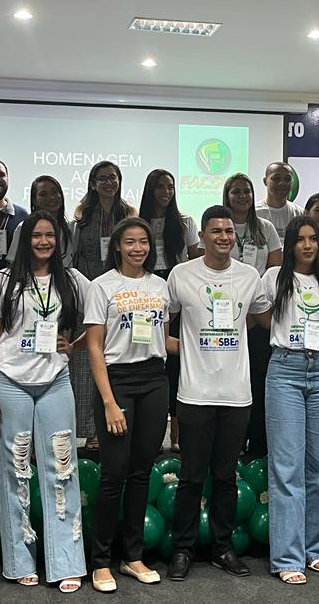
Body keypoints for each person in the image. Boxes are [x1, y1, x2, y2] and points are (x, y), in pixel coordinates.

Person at [0, 210, 88, 592]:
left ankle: (66, 562)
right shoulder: (3, 280)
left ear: (59, 241)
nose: (43, 242)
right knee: (15, 472)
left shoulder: (72, 280)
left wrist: (72, 347)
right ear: (24, 240)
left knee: (63, 469)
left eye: (50, 236)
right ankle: (20, 561)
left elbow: (99, 323)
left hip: (55, 380)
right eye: (36, 236)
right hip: (10, 382)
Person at [165, 206, 271, 582]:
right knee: (191, 476)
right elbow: (162, 326)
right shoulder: (181, 275)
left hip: (236, 394)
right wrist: (187, 348)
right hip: (194, 393)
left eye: (229, 232)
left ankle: (222, 548)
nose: (224, 237)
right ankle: (183, 549)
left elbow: (264, 319)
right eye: (216, 231)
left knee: (226, 476)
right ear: (202, 237)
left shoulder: (249, 276)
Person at [84, 218, 171, 592]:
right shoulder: (101, 286)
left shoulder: (160, 286)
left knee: (141, 472)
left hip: (154, 380)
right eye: (130, 242)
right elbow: (93, 346)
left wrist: (209, 342)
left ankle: (132, 557)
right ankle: (100, 561)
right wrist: (108, 401)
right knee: (113, 473)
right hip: (117, 381)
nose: (138, 248)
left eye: (143, 242)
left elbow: (165, 339)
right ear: (117, 246)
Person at [262, 218, 319, 584]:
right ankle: (288, 557)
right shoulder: (273, 278)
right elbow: (260, 316)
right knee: (287, 467)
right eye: (301, 239)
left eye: (313, 240)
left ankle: (317, 548)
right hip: (285, 370)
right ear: (290, 243)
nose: (308, 246)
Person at [71, 160, 137, 450]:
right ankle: (90, 429)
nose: (109, 183)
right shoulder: (82, 214)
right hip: (90, 295)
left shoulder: (129, 213)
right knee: (87, 366)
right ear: (93, 183)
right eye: (103, 178)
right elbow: (74, 256)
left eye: (113, 178)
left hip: (122, 295)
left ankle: (114, 422)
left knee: (117, 360)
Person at [138, 168, 200, 453]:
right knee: (147, 352)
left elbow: (195, 258)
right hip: (146, 289)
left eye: (170, 187)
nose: (166, 192)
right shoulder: (138, 222)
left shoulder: (185, 222)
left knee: (176, 363)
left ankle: (177, 436)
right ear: (150, 190)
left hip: (176, 290)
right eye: (160, 187)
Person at [221, 172, 280, 459]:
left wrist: (256, 311)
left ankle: (257, 446)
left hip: (260, 315)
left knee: (258, 380)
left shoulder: (265, 227)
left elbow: (274, 271)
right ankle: (231, 445)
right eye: (236, 191)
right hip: (225, 315)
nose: (242, 196)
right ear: (227, 195)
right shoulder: (221, 227)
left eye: (247, 191)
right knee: (230, 379)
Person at [6, 175, 75, 267]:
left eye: (54, 192)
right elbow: (13, 263)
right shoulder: (24, 227)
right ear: (35, 200)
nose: (51, 197)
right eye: (43, 194)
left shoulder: (71, 227)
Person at [255, 162, 304, 238]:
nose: (282, 183)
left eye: (287, 179)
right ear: (265, 181)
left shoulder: (299, 214)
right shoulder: (254, 213)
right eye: (276, 178)